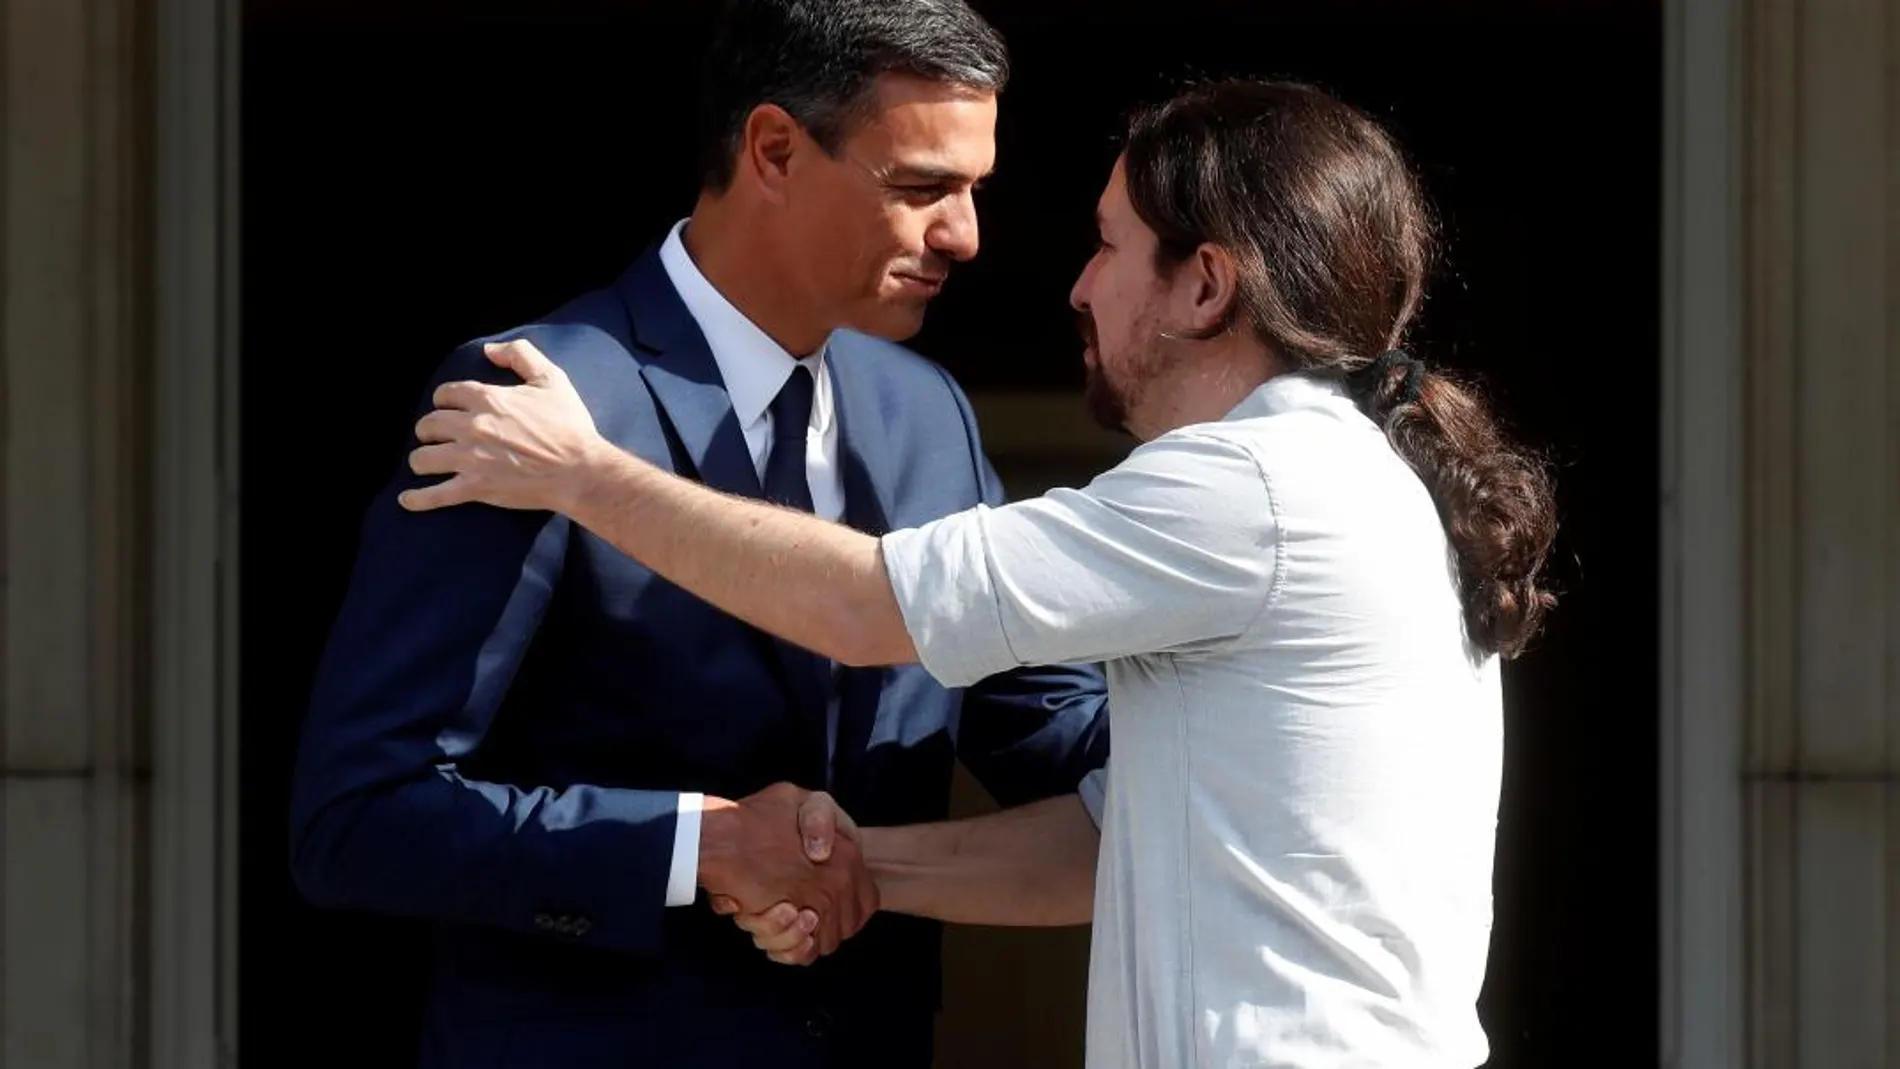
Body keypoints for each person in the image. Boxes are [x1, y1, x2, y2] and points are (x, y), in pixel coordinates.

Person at [398, 78, 1561, 1069]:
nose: (1073, 286)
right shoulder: (1346, 477)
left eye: (1107, 248)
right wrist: (831, 865)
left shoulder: (1248, 483)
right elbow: (1103, 842)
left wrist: (581, 473)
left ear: (1207, 286)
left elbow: (864, 604)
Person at [287, 2, 1111, 1066]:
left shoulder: (927, 413)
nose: (965, 236)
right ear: (772, 149)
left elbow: (1041, 719)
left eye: (971, 190)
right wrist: (694, 846)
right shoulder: (531, 402)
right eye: (920, 188)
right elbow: (358, 817)